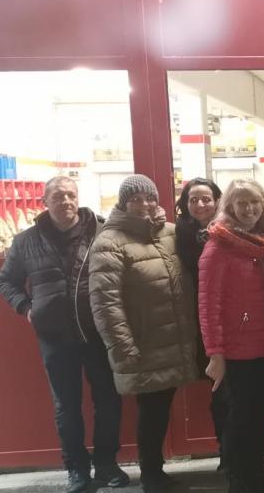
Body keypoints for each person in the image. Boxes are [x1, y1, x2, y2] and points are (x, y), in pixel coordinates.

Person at [0, 177, 129, 493]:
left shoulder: (102, 232)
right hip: (55, 337)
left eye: (71, 195)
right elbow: (7, 281)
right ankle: (77, 470)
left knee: (109, 401)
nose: (66, 201)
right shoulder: (25, 241)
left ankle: (107, 464)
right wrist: (25, 308)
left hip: (98, 332)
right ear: (45, 202)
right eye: (58, 196)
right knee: (66, 407)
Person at [88, 175, 199, 492]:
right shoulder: (109, 242)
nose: (145, 204)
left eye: (149, 197)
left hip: (173, 340)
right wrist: (122, 346)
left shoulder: (170, 233)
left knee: (160, 408)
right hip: (143, 343)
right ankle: (151, 475)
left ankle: (155, 472)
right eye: (136, 198)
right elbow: (105, 303)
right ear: (123, 203)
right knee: (152, 411)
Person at [197, 178, 264, 492]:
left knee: (260, 416)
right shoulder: (218, 246)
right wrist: (215, 353)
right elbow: (208, 304)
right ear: (230, 207)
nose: (249, 209)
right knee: (239, 419)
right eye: (241, 203)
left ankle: (256, 474)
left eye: (254, 202)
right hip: (236, 351)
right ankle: (238, 479)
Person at [173, 177, 227, 467]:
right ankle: (224, 449)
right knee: (215, 384)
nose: (200, 204)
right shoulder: (175, 232)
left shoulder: (231, 227)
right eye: (193, 199)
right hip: (195, 320)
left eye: (206, 198)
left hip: (228, 317)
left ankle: (232, 449)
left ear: (217, 200)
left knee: (229, 388)